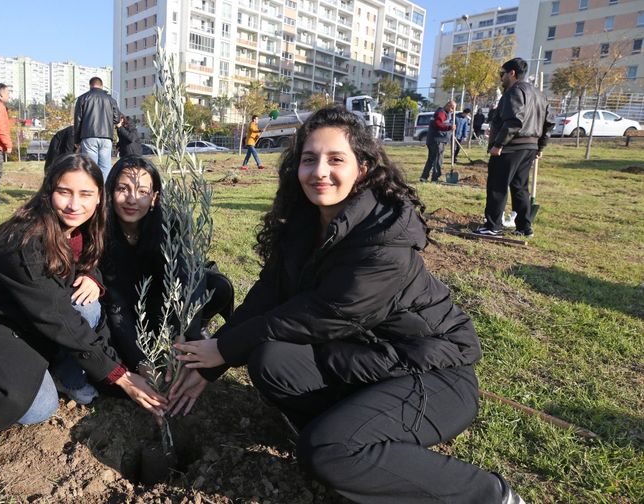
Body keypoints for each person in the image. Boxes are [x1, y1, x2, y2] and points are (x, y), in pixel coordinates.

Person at [171, 106, 527, 503]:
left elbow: (324, 315)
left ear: (363, 167)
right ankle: (346, 438)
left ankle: (490, 494)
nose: (319, 171)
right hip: (365, 357)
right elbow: (268, 293)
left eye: (335, 159)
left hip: (431, 371)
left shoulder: (385, 236)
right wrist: (214, 363)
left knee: (326, 452)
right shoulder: (303, 223)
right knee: (272, 361)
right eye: (309, 159)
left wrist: (222, 349)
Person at [0, 154, 166, 430]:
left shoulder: (85, 229)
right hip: (5, 326)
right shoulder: (23, 242)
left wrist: (91, 276)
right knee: (38, 408)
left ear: (98, 198)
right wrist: (121, 376)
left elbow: (86, 263)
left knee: (89, 305)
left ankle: (66, 375)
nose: (74, 204)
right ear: (48, 193)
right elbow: (57, 316)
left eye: (85, 194)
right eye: (64, 192)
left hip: (44, 322)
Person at [101, 155, 234, 376]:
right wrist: (140, 363)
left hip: (164, 302)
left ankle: (198, 325)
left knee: (218, 286)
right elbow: (115, 302)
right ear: (110, 191)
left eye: (142, 192)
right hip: (131, 311)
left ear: (154, 198)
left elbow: (187, 273)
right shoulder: (102, 233)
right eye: (123, 188)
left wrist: (185, 333)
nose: (132, 199)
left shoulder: (171, 225)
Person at [476, 58, 553, 239]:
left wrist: (498, 144)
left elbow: (514, 121)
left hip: (511, 147)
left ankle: (493, 226)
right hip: (529, 147)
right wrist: (540, 146)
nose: (500, 78)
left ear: (512, 73)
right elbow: (549, 122)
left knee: (497, 185)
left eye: (502, 74)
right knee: (519, 187)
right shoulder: (540, 95)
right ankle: (524, 227)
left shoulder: (514, 92)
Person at [74, 76, 121, 177]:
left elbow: (78, 121)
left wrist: (77, 140)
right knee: (105, 167)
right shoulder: (111, 100)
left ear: (90, 85)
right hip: (107, 137)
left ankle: (91, 191)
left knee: (91, 167)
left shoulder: (82, 98)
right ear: (102, 85)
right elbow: (116, 119)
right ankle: (104, 191)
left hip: (89, 136)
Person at [420, 100, 455, 182]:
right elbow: (437, 124)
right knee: (438, 159)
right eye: (452, 108)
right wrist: (449, 128)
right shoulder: (441, 113)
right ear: (448, 105)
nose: (452, 110)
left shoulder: (441, 112)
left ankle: (424, 177)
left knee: (431, 159)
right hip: (437, 140)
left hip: (433, 139)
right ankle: (435, 178)